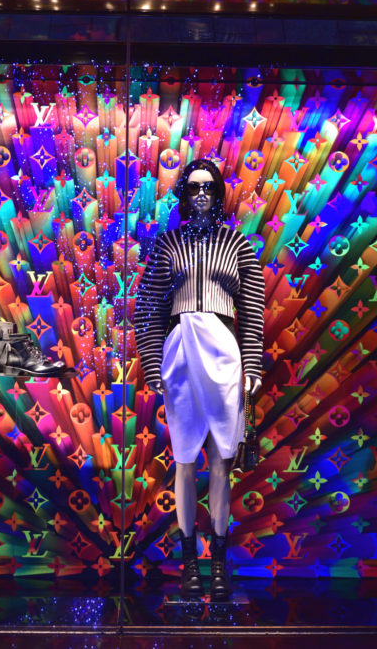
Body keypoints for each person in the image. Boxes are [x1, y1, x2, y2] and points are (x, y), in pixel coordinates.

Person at [135, 158, 265, 601]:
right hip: (180, 349)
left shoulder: (238, 244)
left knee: (222, 459)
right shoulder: (168, 243)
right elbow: (149, 306)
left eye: (209, 187)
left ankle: (219, 564)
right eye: (194, 187)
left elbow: (252, 312)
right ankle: (190, 561)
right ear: (184, 195)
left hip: (224, 349)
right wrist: (152, 361)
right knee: (185, 458)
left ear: (220, 192)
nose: (203, 194)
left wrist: (253, 366)